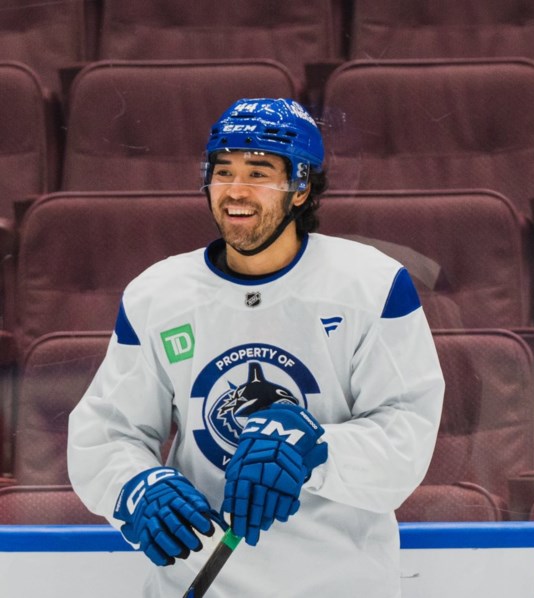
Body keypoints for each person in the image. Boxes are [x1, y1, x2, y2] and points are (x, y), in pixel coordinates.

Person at [68, 98, 445, 597]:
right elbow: (106, 432)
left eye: (259, 172)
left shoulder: (372, 286)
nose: (236, 191)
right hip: (200, 581)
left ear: (301, 187)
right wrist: (136, 487)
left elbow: (406, 442)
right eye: (223, 172)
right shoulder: (157, 295)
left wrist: (315, 447)